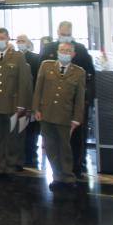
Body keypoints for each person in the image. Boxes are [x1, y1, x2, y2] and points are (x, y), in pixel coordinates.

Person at [39, 21, 95, 179]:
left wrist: (87, 100)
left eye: (68, 34)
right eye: (63, 34)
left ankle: (76, 167)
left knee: (76, 138)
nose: (65, 37)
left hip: (74, 103)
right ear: (58, 32)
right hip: (51, 104)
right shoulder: (49, 49)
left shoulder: (80, 49)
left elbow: (90, 75)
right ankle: (57, 171)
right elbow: (39, 77)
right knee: (53, 140)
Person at [0, 28, 32, 181]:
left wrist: (22, 104)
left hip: (12, 104)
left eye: (2, 38)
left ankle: (10, 166)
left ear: (8, 38)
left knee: (12, 137)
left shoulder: (18, 56)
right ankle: (0, 166)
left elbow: (23, 82)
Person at [33, 42, 86, 191]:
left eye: (68, 51)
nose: (64, 53)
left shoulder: (79, 72)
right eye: (62, 50)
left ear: (73, 54)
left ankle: (68, 177)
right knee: (51, 148)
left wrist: (76, 118)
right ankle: (57, 177)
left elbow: (80, 98)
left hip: (65, 116)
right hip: (47, 114)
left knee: (65, 148)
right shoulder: (46, 66)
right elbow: (38, 89)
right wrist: (36, 109)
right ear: (57, 51)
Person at [16, 35, 41, 166]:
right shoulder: (14, 57)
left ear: (28, 43)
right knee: (18, 128)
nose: (20, 43)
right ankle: (19, 154)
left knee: (31, 130)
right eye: (18, 41)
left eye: (23, 41)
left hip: (31, 98)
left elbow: (38, 79)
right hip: (16, 100)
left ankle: (30, 154)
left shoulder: (35, 58)